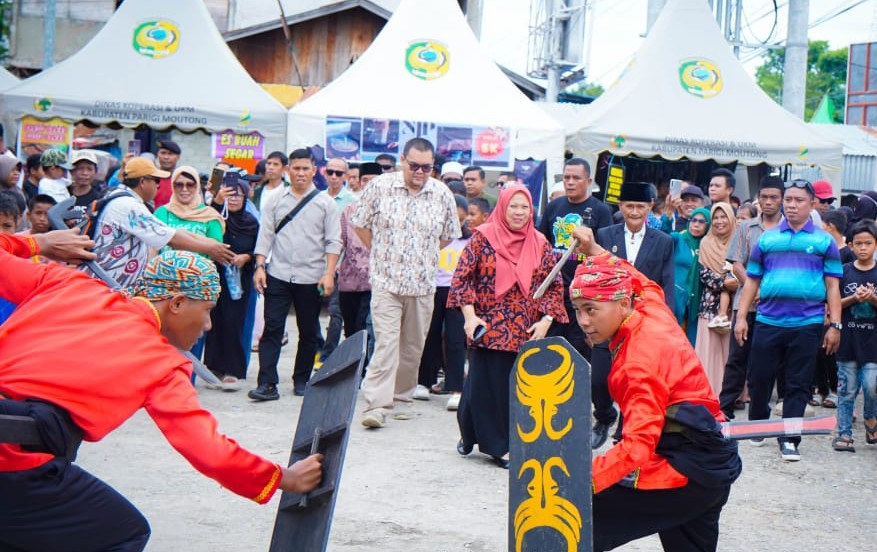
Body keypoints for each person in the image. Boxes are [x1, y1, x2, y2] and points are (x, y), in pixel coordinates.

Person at [0, 233, 322, 551]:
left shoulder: (69, 284)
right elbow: (210, 452)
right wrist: (285, 478)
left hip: (16, 451)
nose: (208, 325)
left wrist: (37, 243)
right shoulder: (163, 364)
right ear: (177, 303)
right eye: (207, 310)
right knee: (124, 533)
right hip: (15, 460)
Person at [568, 225, 740, 552]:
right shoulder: (648, 305)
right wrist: (594, 249)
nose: (584, 321)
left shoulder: (637, 363)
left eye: (592, 309)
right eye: (578, 310)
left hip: (686, 468)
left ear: (621, 304)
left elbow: (637, 448)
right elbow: (637, 277)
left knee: (576, 520)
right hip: (713, 460)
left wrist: (578, 480)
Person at [448, 184, 567, 468]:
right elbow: (462, 279)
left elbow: (554, 286)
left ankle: (490, 441)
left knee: (507, 389)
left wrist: (546, 322)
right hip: (487, 326)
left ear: (531, 210)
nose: (518, 212)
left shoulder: (541, 243)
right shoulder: (482, 239)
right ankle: (483, 440)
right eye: (513, 206)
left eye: (524, 207)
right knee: (481, 385)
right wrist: (469, 316)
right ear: (502, 207)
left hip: (524, 330)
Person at [353, 138, 461, 429]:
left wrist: (423, 254)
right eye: (414, 165)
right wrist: (380, 250)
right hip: (386, 280)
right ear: (403, 160)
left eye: (427, 167)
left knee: (412, 346)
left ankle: (402, 398)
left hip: (423, 283)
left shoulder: (441, 193)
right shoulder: (380, 187)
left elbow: (449, 234)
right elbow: (360, 222)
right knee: (386, 342)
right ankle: (376, 404)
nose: (420, 172)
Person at [734, 179, 843, 462]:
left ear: (811, 205)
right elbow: (751, 282)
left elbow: (833, 286)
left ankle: (790, 438)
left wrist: (835, 325)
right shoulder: (767, 240)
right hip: (768, 321)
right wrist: (742, 318)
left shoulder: (823, 241)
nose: (792, 205)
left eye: (799, 201)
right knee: (759, 378)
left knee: (798, 384)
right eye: (789, 200)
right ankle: (759, 422)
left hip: (807, 324)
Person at [250, 148, 341, 401]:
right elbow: (265, 235)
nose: (300, 173)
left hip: (311, 276)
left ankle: (302, 379)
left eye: (305, 169)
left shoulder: (326, 204)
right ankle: (267, 383)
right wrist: (259, 266)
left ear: (314, 170)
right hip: (278, 273)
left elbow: (334, 242)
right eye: (296, 168)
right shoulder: (275, 200)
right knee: (272, 329)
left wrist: (329, 273)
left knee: (309, 331)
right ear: (288, 170)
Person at [537, 158, 613, 446]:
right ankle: (557, 416)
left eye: (575, 178)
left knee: (589, 362)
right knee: (555, 355)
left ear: (589, 181)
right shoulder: (555, 207)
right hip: (557, 294)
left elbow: (605, 253)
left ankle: (601, 414)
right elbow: (542, 243)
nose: (569, 182)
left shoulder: (601, 211)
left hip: (587, 298)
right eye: (566, 177)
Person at [592, 181, 675, 448]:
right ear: (620, 206)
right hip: (608, 320)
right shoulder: (604, 235)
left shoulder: (663, 241)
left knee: (635, 379)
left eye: (641, 206)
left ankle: (625, 433)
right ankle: (604, 416)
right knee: (600, 380)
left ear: (650, 207)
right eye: (629, 206)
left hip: (642, 321)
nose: (635, 212)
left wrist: (667, 322)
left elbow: (666, 283)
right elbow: (596, 275)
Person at [86, 158, 234, 289]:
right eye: (156, 181)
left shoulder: (120, 198)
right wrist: (209, 247)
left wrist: (211, 246)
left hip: (194, 284)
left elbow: (170, 232)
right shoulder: (130, 207)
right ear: (143, 182)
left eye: (190, 185)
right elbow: (170, 237)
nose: (158, 186)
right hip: (109, 284)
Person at [717, 176, 784, 419]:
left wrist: (767, 291)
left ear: (782, 200)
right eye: (764, 197)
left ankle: (759, 412)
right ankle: (724, 410)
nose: (768, 202)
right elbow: (736, 263)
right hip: (745, 306)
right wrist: (753, 289)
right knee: (737, 359)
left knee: (766, 363)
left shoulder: (788, 230)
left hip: (775, 308)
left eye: (773, 198)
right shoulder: (746, 228)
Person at [203, 177, 260, 387]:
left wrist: (246, 258)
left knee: (235, 323)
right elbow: (211, 215)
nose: (233, 199)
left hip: (239, 281)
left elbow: (259, 249)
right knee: (214, 321)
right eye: (230, 194)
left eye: (238, 195)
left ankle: (233, 369)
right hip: (216, 276)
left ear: (245, 197)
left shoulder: (251, 222)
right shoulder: (219, 218)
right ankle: (213, 367)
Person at [416, 194, 471, 410]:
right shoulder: (430, 237)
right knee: (429, 336)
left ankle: (457, 387)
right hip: (432, 289)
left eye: (460, 219)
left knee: (456, 340)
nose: (454, 223)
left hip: (458, 292)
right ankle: (423, 382)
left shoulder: (470, 240)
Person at [832, 220, 877, 452]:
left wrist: (872, 299)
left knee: (871, 385)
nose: (862, 248)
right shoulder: (844, 271)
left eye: (868, 243)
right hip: (848, 340)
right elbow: (834, 303)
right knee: (846, 389)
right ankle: (844, 433)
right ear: (850, 245)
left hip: (873, 344)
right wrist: (853, 299)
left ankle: (871, 419)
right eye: (858, 243)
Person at [693, 203, 739, 395]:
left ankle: (732, 393)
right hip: (711, 304)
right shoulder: (706, 243)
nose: (720, 222)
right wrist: (724, 283)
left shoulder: (739, 242)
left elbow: (745, 269)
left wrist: (736, 282)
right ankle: (709, 391)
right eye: (716, 218)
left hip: (736, 304)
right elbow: (703, 274)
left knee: (732, 352)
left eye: (724, 217)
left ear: (731, 219)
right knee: (710, 350)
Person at [338, 162, 381, 360]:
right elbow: (345, 243)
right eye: (365, 181)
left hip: (378, 284)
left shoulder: (391, 210)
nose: (369, 185)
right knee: (351, 331)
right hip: (350, 283)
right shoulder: (349, 210)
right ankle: (352, 371)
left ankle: (365, 372)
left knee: (370, 331)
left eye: (374, 181)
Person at [671, 207, 711, 345]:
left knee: (691, 344)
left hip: (697, 301)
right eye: (693, 220)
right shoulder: (678, 238)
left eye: (701, 222)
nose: (696, 224)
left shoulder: (708, 245)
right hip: (676, 298)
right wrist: (668, 216)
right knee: (671, 341)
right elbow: (660, 240)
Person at [152, 139, 181, 208]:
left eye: (170, 154)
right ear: (157, 155)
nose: (166, 157)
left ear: (178, 157)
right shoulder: (151, 177)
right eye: (163, 153)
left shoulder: (182, 179)